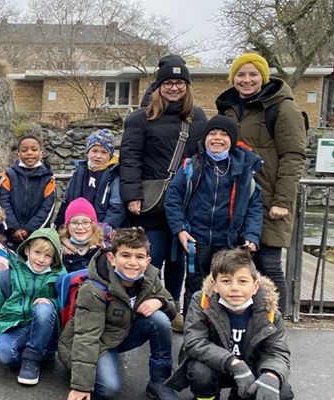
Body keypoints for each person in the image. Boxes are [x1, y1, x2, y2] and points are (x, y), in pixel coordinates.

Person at [215, 53, 308, 314]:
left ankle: (276, 322)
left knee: (268, 264)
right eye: (240, 75)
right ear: (233, 78)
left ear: (263, 77)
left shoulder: (282, 107)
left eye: (253, 74)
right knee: (236, 266)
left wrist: (282, 200)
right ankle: (242, 323)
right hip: (234, 198)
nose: (246, 80)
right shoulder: (229, 108)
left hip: (267, 199)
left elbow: (294, 155)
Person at [119, 56, 206, 332]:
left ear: (187, 86)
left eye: (180, 82)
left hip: (184, 201)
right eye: (168, 82)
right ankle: (145, 303)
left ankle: (172, 307)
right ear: (159, 86)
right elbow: (130, 158)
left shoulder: (197, 118)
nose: (174, 87)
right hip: (152, 202)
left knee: (178, 260)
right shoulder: (140, 119)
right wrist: (132, 194)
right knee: (151, 257)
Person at [58, 227, 179, 400]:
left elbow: (172, 311)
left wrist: (160, 301)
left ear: (147, 260)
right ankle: (85, 371)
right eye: (125, 255)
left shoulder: (149, 277)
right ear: (112, 258)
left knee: (160, 319)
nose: (133, 262)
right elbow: (87, 337)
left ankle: (159, 383)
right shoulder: (93, 289)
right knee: (109, 390)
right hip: (97, 342)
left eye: (139, 257)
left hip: (121, 333)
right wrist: (81, 386)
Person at [165, 115, 264, 317]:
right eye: (212, 133)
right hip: (197, 239)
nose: (217, 138)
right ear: (204, 138)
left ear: (232, 140)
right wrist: (180, 229)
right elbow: (172, 199)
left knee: (228, 287)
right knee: (195, 286)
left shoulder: (244, 169)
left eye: (224, 134)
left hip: (229, 241)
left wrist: (252, 236)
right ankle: (193, 335)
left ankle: (223, 334)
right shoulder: (190, 167)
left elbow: (254, 207)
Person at [167, 249, 293, 400]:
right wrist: (233, 363)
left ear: (255, 286)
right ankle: (208, 397)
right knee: (199, 372)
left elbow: (277, 352)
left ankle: (240, 394)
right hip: (216, 365)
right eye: (226, 281)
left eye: (242, 281)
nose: (234, 288)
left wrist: (271, 375)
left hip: (250, 369)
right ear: (214, 285)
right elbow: (194, 341)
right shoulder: (202, 301)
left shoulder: (270, 311)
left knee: (282, 391)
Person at [0, 228, 65, 386]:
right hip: (15, 326)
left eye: (48, 256)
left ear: (54, 258)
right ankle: (37, 354)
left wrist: (52, 303)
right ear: (27, 250)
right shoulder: (8, 274)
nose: (41, 259)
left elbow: (66, 306)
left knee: (44, 308)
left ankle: (32, 359)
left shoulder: (60, 277)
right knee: (2, 354)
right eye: (37, 252)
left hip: (44, 327)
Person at [0, 133, 56, 250]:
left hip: (36, 234)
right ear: (18, 154)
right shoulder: (8, 175)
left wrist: (29, 229)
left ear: (41, 153)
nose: (29, 153)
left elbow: (47, 208)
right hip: (9, 234)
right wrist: (13, 228)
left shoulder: (48, 178)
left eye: (34, 149)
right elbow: (2, 203)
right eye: (24, 150)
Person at [56, 129, 125, 229]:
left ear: (110, 156)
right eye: (94, 151)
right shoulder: (79, 172)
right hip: (77, 226)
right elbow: (67, 201)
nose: (98, 156)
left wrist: (103, 229)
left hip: (101, 228)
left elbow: (117, 207)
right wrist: (60, 225)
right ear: (87, 152)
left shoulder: (113, 175)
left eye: (104, 152)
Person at [59, 198, 107, 272]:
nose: (80, 227)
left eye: (86, 222)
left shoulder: (102, 250)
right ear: (67, 226)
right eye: (74, 223)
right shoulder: (59, 251)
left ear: (93, 225)